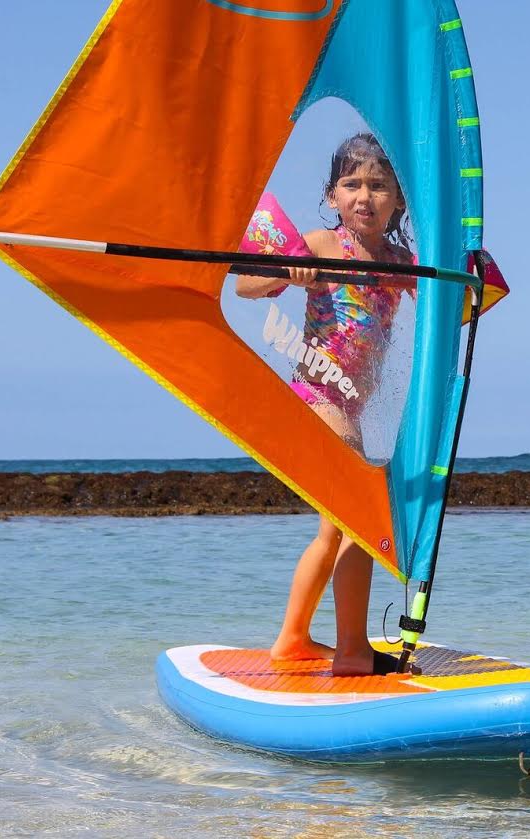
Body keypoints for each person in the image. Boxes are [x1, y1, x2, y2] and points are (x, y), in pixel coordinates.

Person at [236, 133, 414, 676]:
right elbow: (245, 284)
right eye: (351, 184)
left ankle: (292, 639)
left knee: (333, 530)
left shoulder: (401, 261)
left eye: (378, 185)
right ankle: (354, 653)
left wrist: (470, 285)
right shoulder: (320, 245)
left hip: (350, 406)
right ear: (332, 195)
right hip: (318, 396)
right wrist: (286, 273)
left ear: (399, 202)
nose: (365, 195)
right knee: (362, 518)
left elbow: (449, 305)